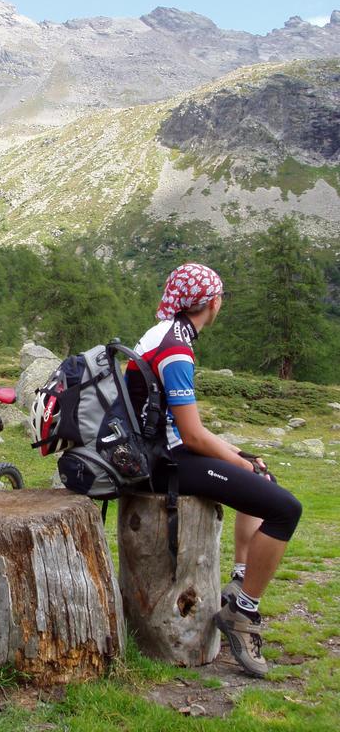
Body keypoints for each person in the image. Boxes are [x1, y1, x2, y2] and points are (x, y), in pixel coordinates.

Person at [126, 263, 302, 678]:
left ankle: (240, 579)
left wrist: (242, 456)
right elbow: (191, 435)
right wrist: (236, 459)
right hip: (166, 463)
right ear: (211, 303)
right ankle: (243, 611)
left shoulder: (166, 334)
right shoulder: (175, 350)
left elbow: (187, 428)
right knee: (286, 510)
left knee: (261, 476)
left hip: (160, 451)